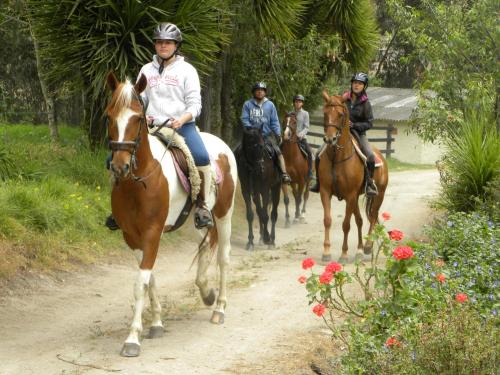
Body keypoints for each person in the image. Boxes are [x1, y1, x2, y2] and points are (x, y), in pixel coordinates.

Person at [106, 22, 213, 230]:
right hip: (152, 127)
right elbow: (140, 99)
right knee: (113, 158)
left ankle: (202, 205)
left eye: (168, 42)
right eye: (159, 42)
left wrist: (182, 119)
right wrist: (143, 116)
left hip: (181, 126)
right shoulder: (147, 70)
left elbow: (195, 104)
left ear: (176, 45)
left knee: (201, 157)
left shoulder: (187, 71)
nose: (163, 46)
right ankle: (118, 207)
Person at [310, 72, 378, 196]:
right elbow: (335, 111)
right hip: (340, 133)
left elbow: (369, 123)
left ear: (364, 86)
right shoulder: (344, 99)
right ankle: (318, 182)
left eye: (360, 84)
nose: (356, 85)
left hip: (358, 133)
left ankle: (369, 183)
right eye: (355, 83)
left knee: (370, 156)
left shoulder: (365, 103)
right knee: (319, 153)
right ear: (351, 84)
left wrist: (355, 125)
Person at [240, 82, 291, 183]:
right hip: (251, 136)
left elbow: (275, 121)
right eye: (258, 90)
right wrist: (251, 129)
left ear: (265, 92)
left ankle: (284, 174)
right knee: (238, 150)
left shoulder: (270, 105)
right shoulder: (247, 104)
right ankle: (237, 172)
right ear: (254, 92)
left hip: (266, 136)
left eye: (262, 90)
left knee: (278, 152)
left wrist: (278, 134)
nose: (260, 92)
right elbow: (244, 119)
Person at [292, 94, 313, 179]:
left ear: (302, 103)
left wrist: (299, 134)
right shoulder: (291, 113)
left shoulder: (305, 114)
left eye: (300, 102)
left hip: (301, 138)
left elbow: (307, 127)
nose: (298, 103)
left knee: (309, 153)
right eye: (296, 102)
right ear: (294, 103)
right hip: (291, 138)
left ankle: (310, 172)